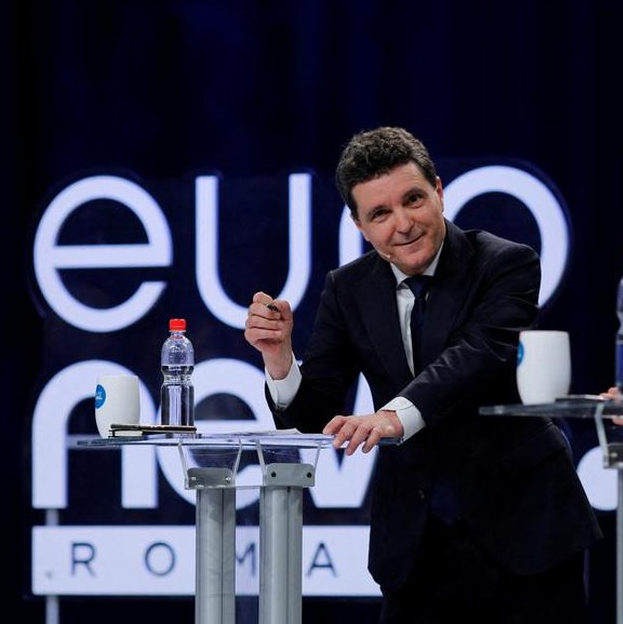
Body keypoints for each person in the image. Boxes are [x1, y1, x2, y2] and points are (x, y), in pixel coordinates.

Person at [243, 126, 601, 622]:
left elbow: (479, 354)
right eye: (380, 214)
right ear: (360, 225)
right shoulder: (347, 289)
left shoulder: (505, 263)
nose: (404, 224)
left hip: (527, 532)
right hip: (415, 548)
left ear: (438, 191)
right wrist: (279, 358)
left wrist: (393, 416)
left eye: (413, 199)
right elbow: (313, 416)